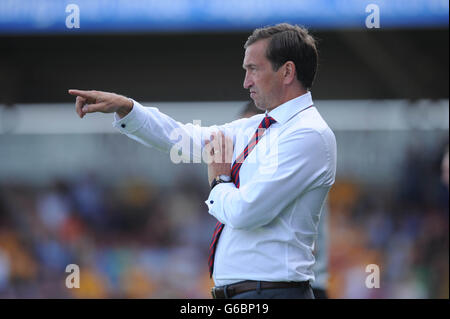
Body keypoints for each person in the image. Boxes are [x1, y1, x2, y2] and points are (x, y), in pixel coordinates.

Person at [68, 23, 337, 299]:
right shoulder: (259, 126)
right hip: (247, 294)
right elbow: (184, 138)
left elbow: (246, 212)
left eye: (253, 69)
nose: (246, 82)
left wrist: (219, 180)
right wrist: (128, 108)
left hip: (274, 294)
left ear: (287, 71)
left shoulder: (309, 134)